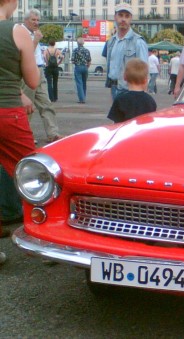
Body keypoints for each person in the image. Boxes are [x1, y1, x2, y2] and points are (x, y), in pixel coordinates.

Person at [0, 0, 40, 259]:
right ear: (11, 2)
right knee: (35, 173)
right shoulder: (17, 31)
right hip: (7, 113)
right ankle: (44, 236)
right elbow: (33, 80)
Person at [21, 8, 63, 144]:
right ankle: (24, 136)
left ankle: (53, 134)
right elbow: (24, 55)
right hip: (28, 72)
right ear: (25, 20)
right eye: (33, 20)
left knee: (46, 104)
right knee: (27, 108)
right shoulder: (21, 33)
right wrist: (35, 40)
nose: (36, 22)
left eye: (38, 20)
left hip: (39, 71)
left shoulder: (34, 33)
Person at [104, 2, 148, 99]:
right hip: (114, 87)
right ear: (115, 17)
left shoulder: (138, 42)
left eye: (127, 16)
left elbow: (144, 71)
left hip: (131, 91)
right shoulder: (111, 41)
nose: (123, 19)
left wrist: (143, 96)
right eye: (120, 15)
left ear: (131, 18)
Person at [107, 58, 157, 123]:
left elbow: (116, 123)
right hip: (142, 131)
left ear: (125, 77)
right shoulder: (150, 100)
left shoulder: (120, 99)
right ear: (145, 80)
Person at [71, 37, 91, 104]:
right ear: (83, 43)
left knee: (79, 83)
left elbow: (72, 60)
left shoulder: (75, 50)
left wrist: (76, 62)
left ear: (77, 43)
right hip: (85, 67)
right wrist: (87, 66)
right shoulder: (87, 50)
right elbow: (89, 60)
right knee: (84, 83)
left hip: (78, 67)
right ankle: (84, 97)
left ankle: (81, 99)